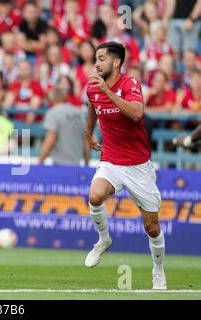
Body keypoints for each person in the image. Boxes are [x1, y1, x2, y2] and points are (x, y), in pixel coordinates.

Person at [85, 42, 166, 289]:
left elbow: (136, 114)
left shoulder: (130, 84)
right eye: (95, 59)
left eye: (101, 59)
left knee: (151, 227)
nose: (96, 64)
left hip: (138, 165)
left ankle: (158, 271)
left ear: (116, 62)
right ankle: (103, 240)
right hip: (111, 160)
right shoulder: (93, 87)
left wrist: (108, 92)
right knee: (95, 195)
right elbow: (93, 104)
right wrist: (88, 131)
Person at [39, 86, 89, 165]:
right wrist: (87, 162)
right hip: (76, 165)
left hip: (59, 165)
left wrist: (40, 162)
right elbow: (86, 141)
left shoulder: (53, 112)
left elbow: (50, 141)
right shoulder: (79, 112)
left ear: (54, 98)